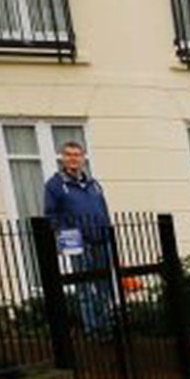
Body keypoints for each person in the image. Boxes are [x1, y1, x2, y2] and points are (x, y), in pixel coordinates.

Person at [44, 139, 116, 332]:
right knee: (84, 288)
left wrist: (107, 232)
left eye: (77, 155)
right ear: (62, 158)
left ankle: (107, 325)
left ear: (83, 158)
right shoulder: (55, 185)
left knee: (105, 285)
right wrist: (68, 236)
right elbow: (51, 215)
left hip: (101, 240)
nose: (73, 159)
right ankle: (93, 329)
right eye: (68, 155)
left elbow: (103, 210)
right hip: (75, 241)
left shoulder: (94, 184)